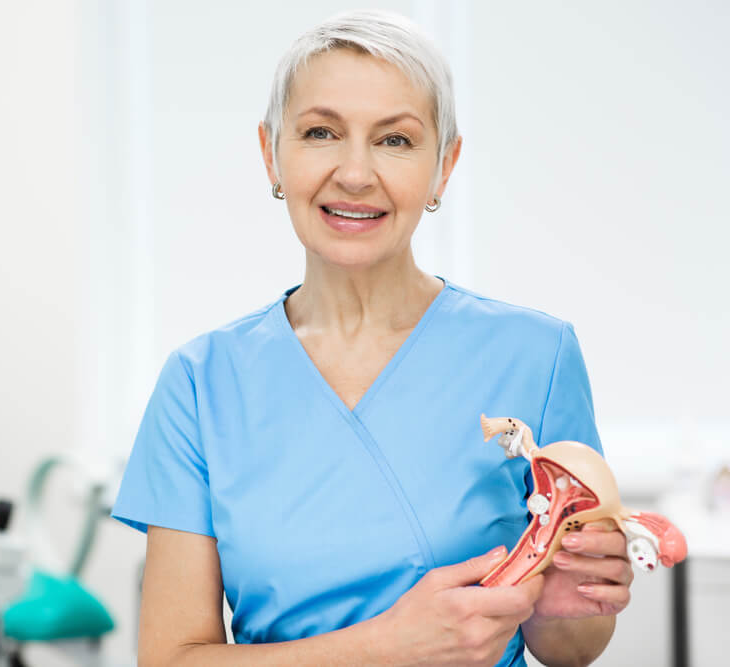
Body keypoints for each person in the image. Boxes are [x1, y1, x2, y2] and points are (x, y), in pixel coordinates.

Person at [111, 9, 633, 667]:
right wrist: (386, 647)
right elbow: (171, 659)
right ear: (272, 153)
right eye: (321, 132)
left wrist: (571, 599)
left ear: (444, 165)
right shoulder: (201, 382)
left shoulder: (538, 355)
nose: (355, 173)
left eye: (395, 140)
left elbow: (569, 648)